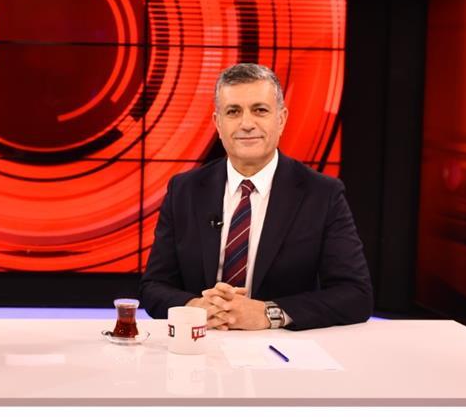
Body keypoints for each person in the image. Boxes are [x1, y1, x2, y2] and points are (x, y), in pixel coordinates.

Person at [139, 63, 372, 331]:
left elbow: (356, 295)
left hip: (282, 346)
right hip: (201, 340)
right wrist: (195, 307)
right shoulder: (184, 190)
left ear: (281, 119)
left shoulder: (322, 194)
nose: (247, 124)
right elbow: (153, 286)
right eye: (233, 112)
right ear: (217, 123)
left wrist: (269, 313)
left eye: (260, 110)